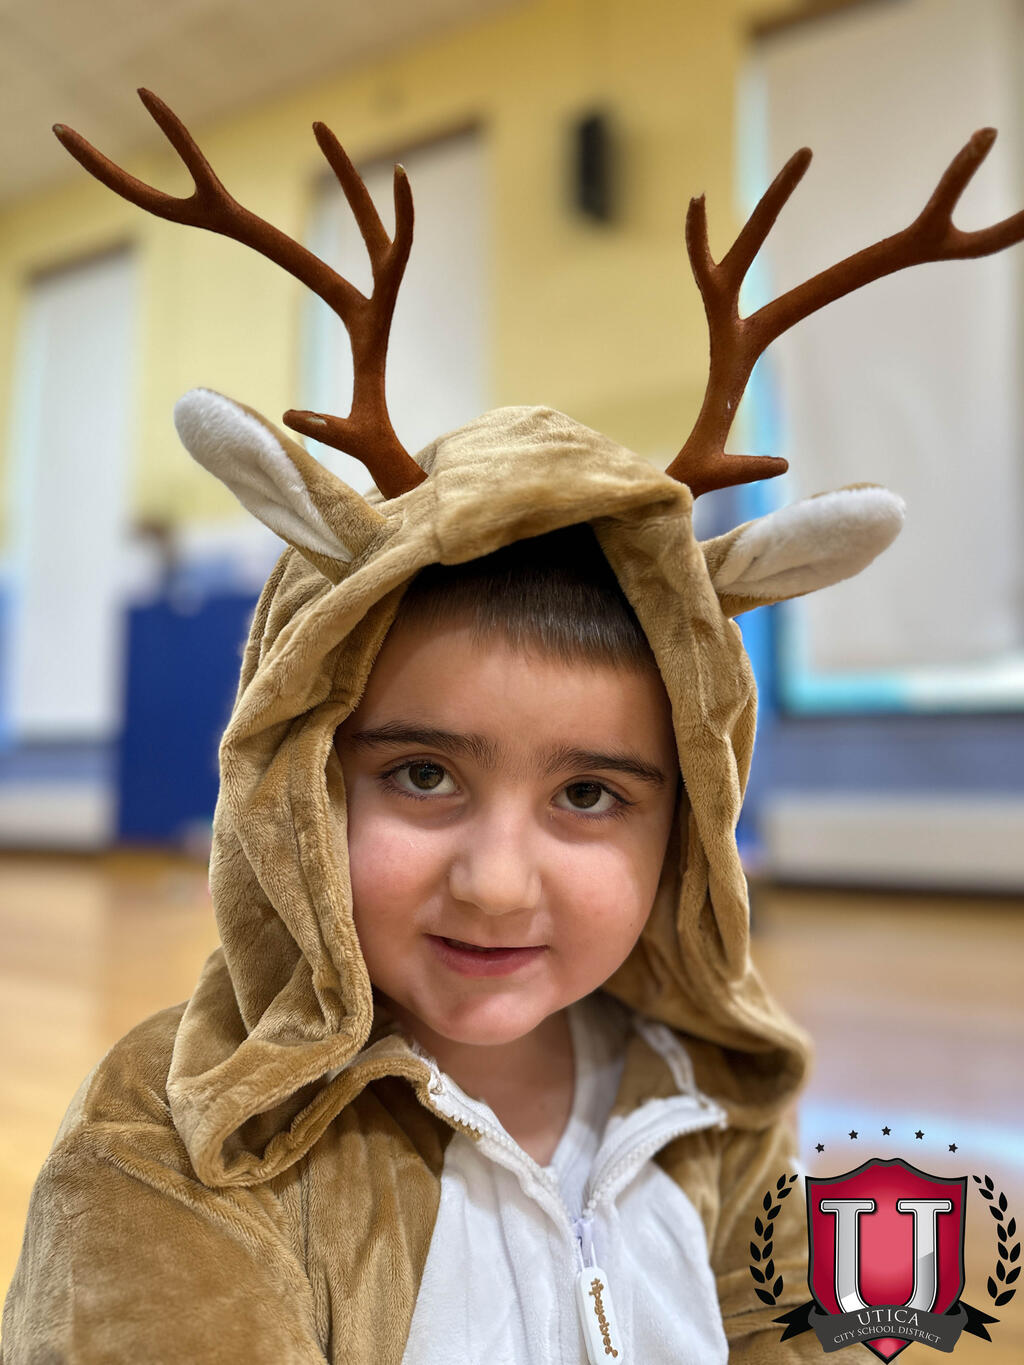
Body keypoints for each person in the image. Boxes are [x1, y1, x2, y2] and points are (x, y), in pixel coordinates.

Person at [11, 91, 1020, 1363]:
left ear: (686, 828)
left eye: (588, 794)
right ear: (304, 783)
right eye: (422, 774)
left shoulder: (716, 1103)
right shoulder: (176, 1145)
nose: (495, 884)